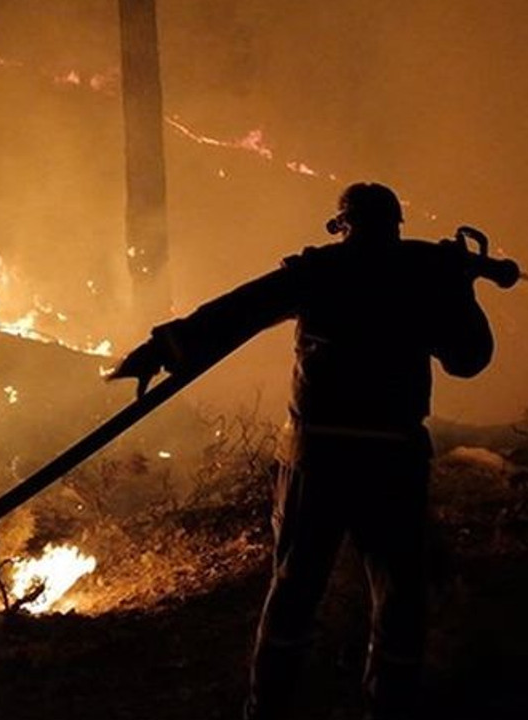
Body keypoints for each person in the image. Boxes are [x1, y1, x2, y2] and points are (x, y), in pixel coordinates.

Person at [110, 182, 497, 719]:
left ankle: (266, 710)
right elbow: (470, 358)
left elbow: (240, 311)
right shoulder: (419, 277)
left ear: (342, 225)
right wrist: (458, 287)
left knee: (296, 593)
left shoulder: (322, 273)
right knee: (399, 600)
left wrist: (166, 347)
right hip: (388, 460)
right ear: (395, 225)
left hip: (321, 460)